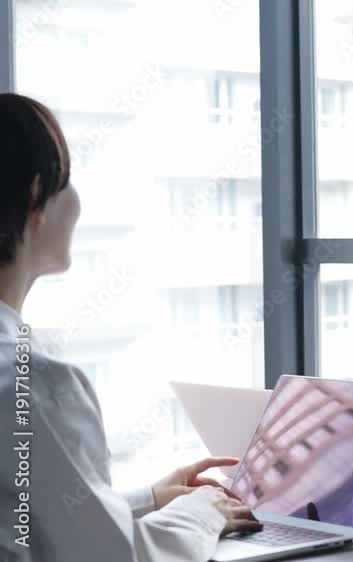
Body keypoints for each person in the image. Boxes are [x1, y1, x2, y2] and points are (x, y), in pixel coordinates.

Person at [0, 92, 262, 561]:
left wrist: (150, 499)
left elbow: (21, 523)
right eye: (67, 180)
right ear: (36, 196)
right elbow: (116, 557)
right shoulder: (33, 384)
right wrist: (203, 511)